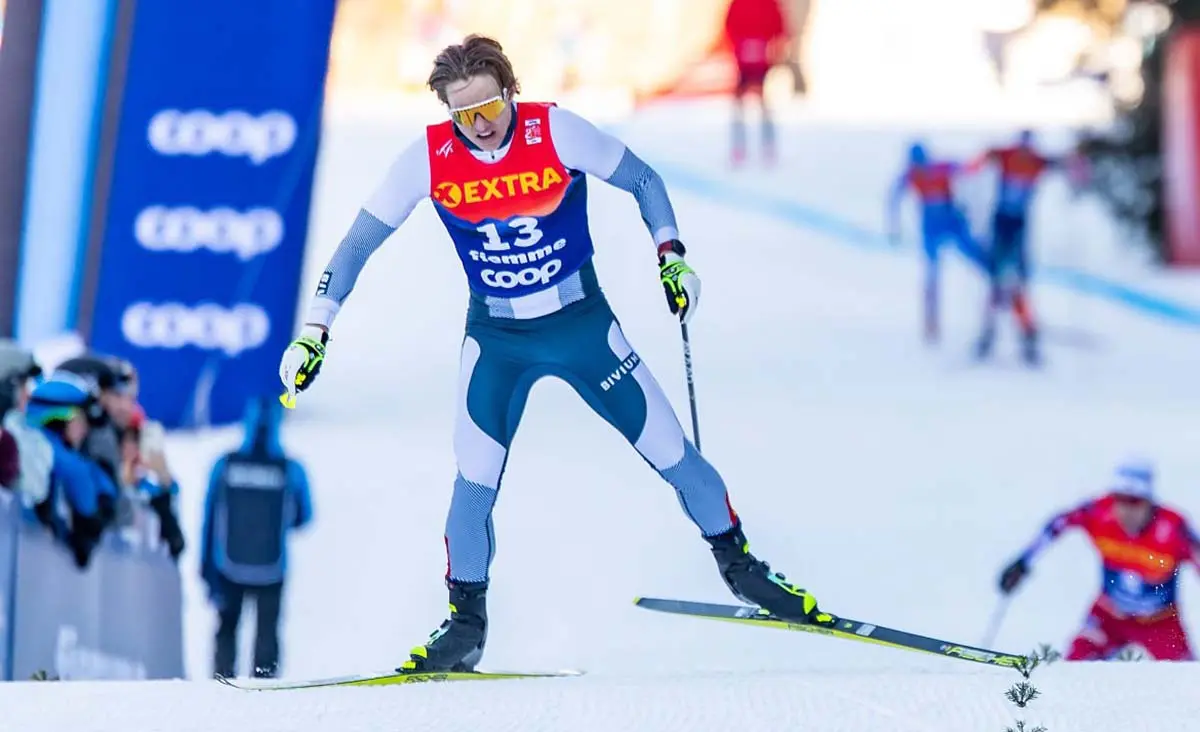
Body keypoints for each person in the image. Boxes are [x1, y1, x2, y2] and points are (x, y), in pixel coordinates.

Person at [277, 34, 834, 674]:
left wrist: (671, 255)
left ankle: (743, 570)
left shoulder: (555, 131)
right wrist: (315, 330)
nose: (481, 126)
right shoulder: (426, 159)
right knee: (473, 483)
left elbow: (643, 180)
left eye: (490, 107)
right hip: (498, 340)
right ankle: (466, 626)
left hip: (582, 328)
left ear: (510, 91)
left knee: (674, 454)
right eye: (464, 115)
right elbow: (355, 245)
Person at [998, 458, 1200, 661]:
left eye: (1134, 501)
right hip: (1109, 616)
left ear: (1149, 502)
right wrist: (1023, 562)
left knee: (1185, 674)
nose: (1126, 510)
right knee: (1075, 665)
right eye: (1119, 499)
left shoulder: (1172, 529)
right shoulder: (1099, 513)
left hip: (1160, 622)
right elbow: (1058, 523)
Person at [200, 395, 312, 679]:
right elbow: (305, 516)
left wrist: (206, 567)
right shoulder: (290, 469)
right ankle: (265, 684)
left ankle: (222, 680)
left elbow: (209, 518)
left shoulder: (224, 465)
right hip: (273, 567)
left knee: (227, 627)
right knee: (268, 632)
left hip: (228, 564)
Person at [966, 130, 1081, 365]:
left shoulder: (1037, 162)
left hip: (1019, 228)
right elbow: (987, 154)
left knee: (1018, 284)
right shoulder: (1007, 155)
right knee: (997, 282)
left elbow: (1062, 163)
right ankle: (989, 333)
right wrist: (975, 166)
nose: (1023, 155)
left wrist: (1076, 164)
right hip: (1001, 225)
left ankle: (1027, 336)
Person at [887, 141, 988, 344]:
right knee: (932, 274)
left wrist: (984, 160)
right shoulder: (911, 175)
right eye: (917, 164)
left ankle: (1001, 288)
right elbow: (894, 197)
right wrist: (894, 226)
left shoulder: (939, 168)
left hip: (952, 222)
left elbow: (968, 168)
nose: (921, 168)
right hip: (932, 228)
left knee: (979, 258)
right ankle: (931, 323)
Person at [24, 375, 119, 567]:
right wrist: (95, 514)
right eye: (80, 420)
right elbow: (79, 475)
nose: (84, 430)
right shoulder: (45, 449)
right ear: (59, 417)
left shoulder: (49, 448)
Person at [723, 0, 789, 166]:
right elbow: (729, 25)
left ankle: (766, 146)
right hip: (745, 60)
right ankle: (740, 147)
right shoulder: (741, 3)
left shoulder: (767, 3)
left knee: (762, 105)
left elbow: (779, 26)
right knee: (741, 106)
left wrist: (774, 48)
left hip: (761, 60)